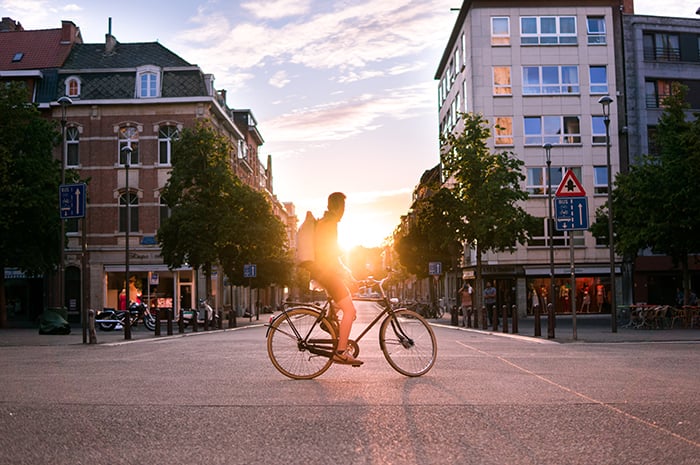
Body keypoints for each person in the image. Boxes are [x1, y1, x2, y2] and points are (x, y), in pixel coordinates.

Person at [311, 192, 363, 366]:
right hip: (326, 273)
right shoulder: (330, 224)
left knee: (347, 297)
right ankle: (340, 352)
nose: (344, 211)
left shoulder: (324, 221)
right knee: (350, 311)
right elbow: (330, 254)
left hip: (322, 272)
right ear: (337, 207)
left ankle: (329, 319)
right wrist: (344, 272)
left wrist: (346, 272)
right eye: (343, 207)